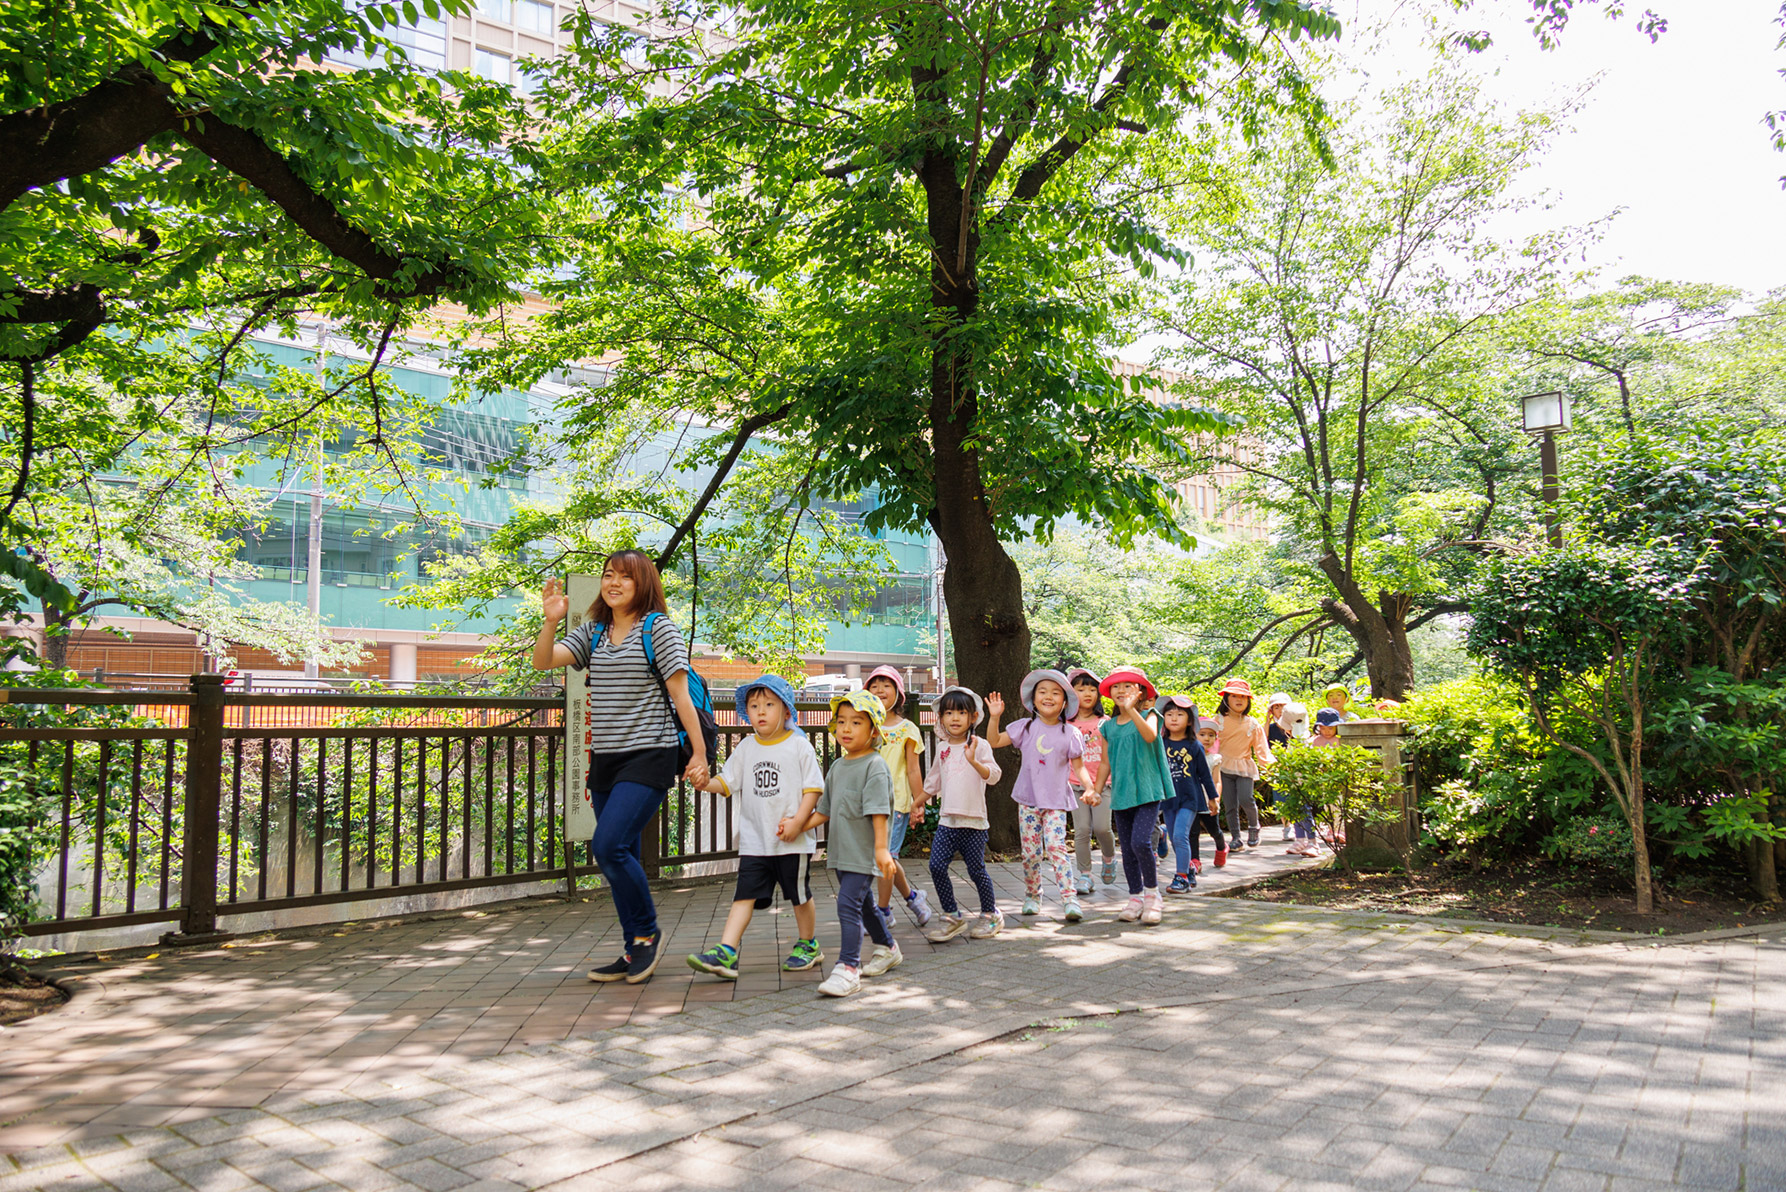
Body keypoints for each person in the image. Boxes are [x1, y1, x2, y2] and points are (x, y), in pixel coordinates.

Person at [533, 554, 709, 985]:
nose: (613, 583)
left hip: (650, 753)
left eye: (624, 577)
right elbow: (544, 661)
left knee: (608, 847)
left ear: (642, 583)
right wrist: (551, 620)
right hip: (606, 760)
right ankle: (635, 948)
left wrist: (701, 755)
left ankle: (647, 932)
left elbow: (681, 696)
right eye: (608, 575)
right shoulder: (594, 631)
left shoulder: (657, 628)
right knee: (619, 853)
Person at [685, 676, 825, 980]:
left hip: (792, 842)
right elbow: (726, 782)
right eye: (754, 705)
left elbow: (814, 790)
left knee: (799, 895)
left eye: (769, 705)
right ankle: (726, 951)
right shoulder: (747, 747)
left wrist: (799, 823)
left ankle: (808, 944)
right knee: (743, 896)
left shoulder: (799, 746)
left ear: (787, 711)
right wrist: (704, 782)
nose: (760, 711)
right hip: (754, 842)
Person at [781, 691, 902, 998]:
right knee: (863, 905)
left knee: (847, 904)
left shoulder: (874, 766)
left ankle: (848, 967)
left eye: (856, 722)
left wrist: (880, 850)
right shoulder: (837, 767)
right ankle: (888, 947)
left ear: (873, 730)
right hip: (841, 852)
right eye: (841, 722)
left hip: (864, 853)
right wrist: (797, 826)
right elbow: (823, 810)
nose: (846, 729)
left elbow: (879, 812)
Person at [987, 669, 1093, 922]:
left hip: (1056, 801)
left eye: (1056, 693)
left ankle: (1070, 899)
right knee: (1031, 853)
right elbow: (993, 740)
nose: (1048, 696)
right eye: (1042, 692)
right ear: (1033, 699)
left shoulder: (1071, 734)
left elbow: (1079, 767)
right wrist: (994, 718)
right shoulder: (1024, 727)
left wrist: (1089, 788)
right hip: (1028, 800)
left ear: (1065, 702)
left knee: (1057, 848)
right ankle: (1033, 895)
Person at [920, 686, 1004, 941]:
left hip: (975, 821)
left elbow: (994, 776)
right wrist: (917, 803)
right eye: (948, 713)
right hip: (948, 820)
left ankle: (991, 915)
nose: (954, 718)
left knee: (976, 869)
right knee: (936, 866)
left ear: (973, 717)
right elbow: (933, 781)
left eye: (961, 712)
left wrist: (974, 761)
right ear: (941, 718)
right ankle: (952, 916)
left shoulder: (980, 745)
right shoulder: (943, 748)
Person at [1095, 666, 1170, 925]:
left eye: (1128, 686)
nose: (1121, 690)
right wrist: (1095, 790)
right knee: (1126, 850)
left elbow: (1149, 737)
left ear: (1140, 693)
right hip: (1121, 793)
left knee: (1141, 843)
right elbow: (1104, 763)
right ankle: (1135, 897)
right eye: (1116, 686)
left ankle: (1152, 895)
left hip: (1148, 790)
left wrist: (1131, 711)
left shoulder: (1152, 715)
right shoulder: (1108, 727)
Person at [864, 665, 933, 930]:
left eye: (886, 685)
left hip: (897, 804)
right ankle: (914, 898)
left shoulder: (907, 729)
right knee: (885, 859)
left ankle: (883, 911)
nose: (880, 690)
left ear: (898, 693)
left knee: (886, 857)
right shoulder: (865, 725)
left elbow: (914, 769)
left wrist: (919, 803)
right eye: (874, 685)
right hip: (868, 803)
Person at [1157, 696, 1220, 894]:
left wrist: (1212, 798)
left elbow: (1205, 775)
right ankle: (1189, 868)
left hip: (1189, 799)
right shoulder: (1160, 743)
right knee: (1175, 840)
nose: (1174, 719)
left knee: (1180, 836)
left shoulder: (1195, 746)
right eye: (1169, 714)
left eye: (1179, 714)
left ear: (1190, 720)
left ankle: (1181, 877)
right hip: (1168, 799)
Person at [1066, 668, 1116, 893]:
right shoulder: (1065, 724)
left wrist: (1097, 787)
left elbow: (1109, 758)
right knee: (1082, 830)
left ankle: (1108, 858)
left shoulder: (1105, 723)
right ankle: (1085, 875)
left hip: (1102, 785)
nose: (1087, 693)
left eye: (1092, 689)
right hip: (1074, 785)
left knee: (1102, 828)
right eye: (1081, 688)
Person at [1215, 678, 1274, 852]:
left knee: (1246, 799)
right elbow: (1209, 744)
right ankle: (1236, 838)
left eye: (1243, 697)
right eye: (1234, 696)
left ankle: (1254, 828)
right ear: (1226, 698)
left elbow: (1262, 749)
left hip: (1244, 767)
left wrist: (1271, 767)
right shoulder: (1218, 720)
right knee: (1230, 804)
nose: (1239, 700)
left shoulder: (1253, 723)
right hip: (1223, 767)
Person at [1193, 718, 1229, 869]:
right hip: (1192, 800)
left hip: (1209, 801)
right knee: (1192, 832)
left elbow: (1217, 781)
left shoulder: (1214, 759)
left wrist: (1215, 799)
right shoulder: (1188, 756)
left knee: (1214, 829)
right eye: (1202, 734)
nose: (1207, 738)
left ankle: (1222, 847)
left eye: (1211, 735)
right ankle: (1195, 861)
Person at [1266, 692, 1295, 841]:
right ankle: (1286, 827)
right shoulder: (1271, 728)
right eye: (1276, 707)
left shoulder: (1297, 724)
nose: (1280, 709)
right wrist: (1267, 719)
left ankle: (1298, 826)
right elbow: (1263, 740)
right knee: (1280, 797)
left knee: (1297, 796)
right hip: (1277, 767)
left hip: (1294, 766)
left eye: (1282, 706)